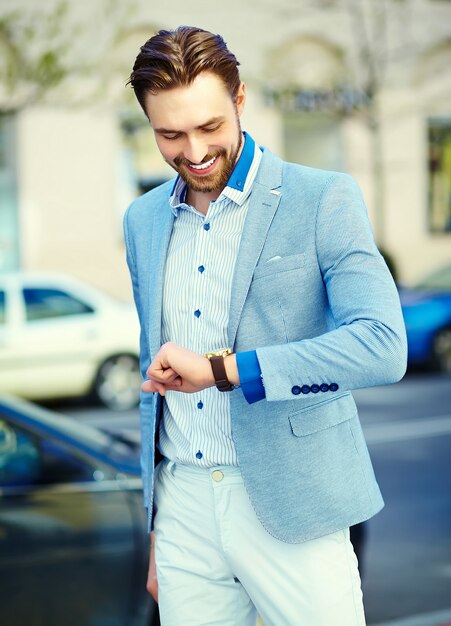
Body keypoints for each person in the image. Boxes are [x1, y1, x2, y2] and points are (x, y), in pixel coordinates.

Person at [124, 26, 407, 626]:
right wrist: (160, 527)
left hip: (293, 502)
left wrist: (226, 370)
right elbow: (154, 378)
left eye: (209, 127)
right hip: (183, 509)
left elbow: (382, 346)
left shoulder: (323, 198)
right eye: (169, 134)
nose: (194, 151)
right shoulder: (142, 219)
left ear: (241, 101)